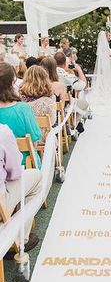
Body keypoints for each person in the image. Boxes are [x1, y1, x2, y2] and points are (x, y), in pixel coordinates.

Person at [0, 123, 41, 253]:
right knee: (36, 176)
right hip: (1, 203)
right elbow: (15, 173)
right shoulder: (3, 132)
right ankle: (18, 240)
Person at [0, 62, 42, 168]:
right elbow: (35, 142)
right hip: (22, 165)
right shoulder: (22, 109)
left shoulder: (23, 108)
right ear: (12, 82)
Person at [19, 65, 56, 142]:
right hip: (43, 138)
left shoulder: (19, 98)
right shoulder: (48, 101)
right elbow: (52, 121)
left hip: (24, 139)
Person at [90, 31, 111, 105]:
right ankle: (106, 93)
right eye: (109, 35)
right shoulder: (105, 47)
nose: (110, 37)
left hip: (107, 66)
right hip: (106, 67)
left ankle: (103, 92)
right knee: (108, 80)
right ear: (105, 37)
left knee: (105, 80)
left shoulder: (103, 47)